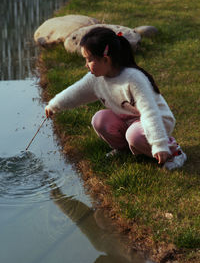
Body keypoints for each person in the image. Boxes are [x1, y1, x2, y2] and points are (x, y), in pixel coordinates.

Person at [45, 27, 187, 170]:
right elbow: (76, 93)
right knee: (99, 119)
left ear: (105, 59)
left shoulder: (133, 79)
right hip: (129, 119)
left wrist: (159, 144)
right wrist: (54, 105)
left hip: (157, 120)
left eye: (89, 60)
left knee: (135, 136)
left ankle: (173, 152)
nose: (86, 65)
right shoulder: (96, 79)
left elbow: (150, 112)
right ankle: (125, 149)